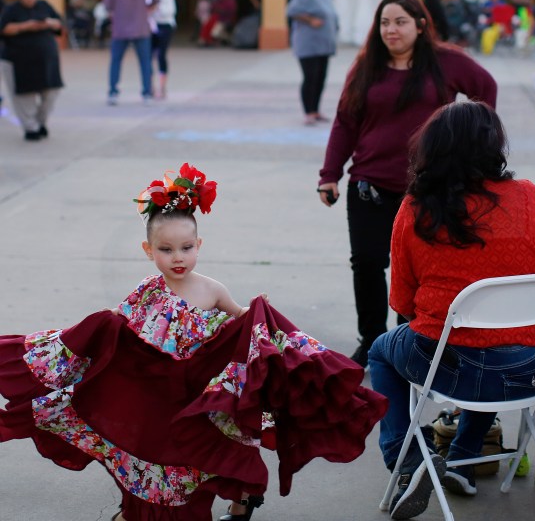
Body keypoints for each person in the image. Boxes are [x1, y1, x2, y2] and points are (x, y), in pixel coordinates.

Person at [0, 162, 386, 521]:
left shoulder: (212, 288)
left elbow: (243, 324)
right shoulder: (148, 289)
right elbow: (123, 331)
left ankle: (241, 501)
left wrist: (256, 311)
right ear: (148, 251)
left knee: (216, 447)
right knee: (158, 451)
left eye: (186, 248)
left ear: (199, 245)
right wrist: (107, 324)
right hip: (158, 393)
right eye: (166, 250)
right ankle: (145, 509)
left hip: (200, 393)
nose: (177, 258)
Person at [368, 101, 535, 519]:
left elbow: (402, 303)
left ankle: (406, 464)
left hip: (456, 368)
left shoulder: (416, 208)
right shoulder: (530, 196)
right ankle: (462, 457)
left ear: (433, 149)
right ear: (494, 146)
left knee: (382, 351)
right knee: (499, 338)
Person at [317, 0, 497, 368]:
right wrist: (329, 174)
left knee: (416, 272)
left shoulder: (446, 62)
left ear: (419, 24)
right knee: (366, 263)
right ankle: (371, 341)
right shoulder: (366, 65)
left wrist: (471, 148)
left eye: (399, 22)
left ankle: (410, 342)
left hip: (428, 188)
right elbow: (345, 122)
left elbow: (486, 89)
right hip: (368, 184)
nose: (391, 30)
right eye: (384, 22)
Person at [0, 0, 64, 141]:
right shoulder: (11, 9)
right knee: (24, 96)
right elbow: (4, 28)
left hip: (46, 60)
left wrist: (49, 23)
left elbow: (59, 23)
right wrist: (26, 26)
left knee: (51, 91)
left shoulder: (44, 5)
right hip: (19, 60)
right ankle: (30, 127)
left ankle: (40, 122)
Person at [103, 0, 159, 105]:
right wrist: (146, 8)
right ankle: (147, 93)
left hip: (120, 27)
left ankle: (113, 92)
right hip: (140, 26)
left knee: (116, 61)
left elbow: (107, 4)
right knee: (145, 62)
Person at [286, 0, 338, 125]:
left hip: (324, 46)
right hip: (308, 46)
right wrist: (310, 20)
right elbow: (290, 11)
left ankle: (316, 110)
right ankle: (308, 112)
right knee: (311, 78)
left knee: (321, 78)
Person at [146, 0, 177, 99]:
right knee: (147, 56)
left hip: (164, 25)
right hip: (149, 25)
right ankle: (149, 86)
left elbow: (170, 10)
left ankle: (162, 87)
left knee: (161, 56)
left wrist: (155, 8)